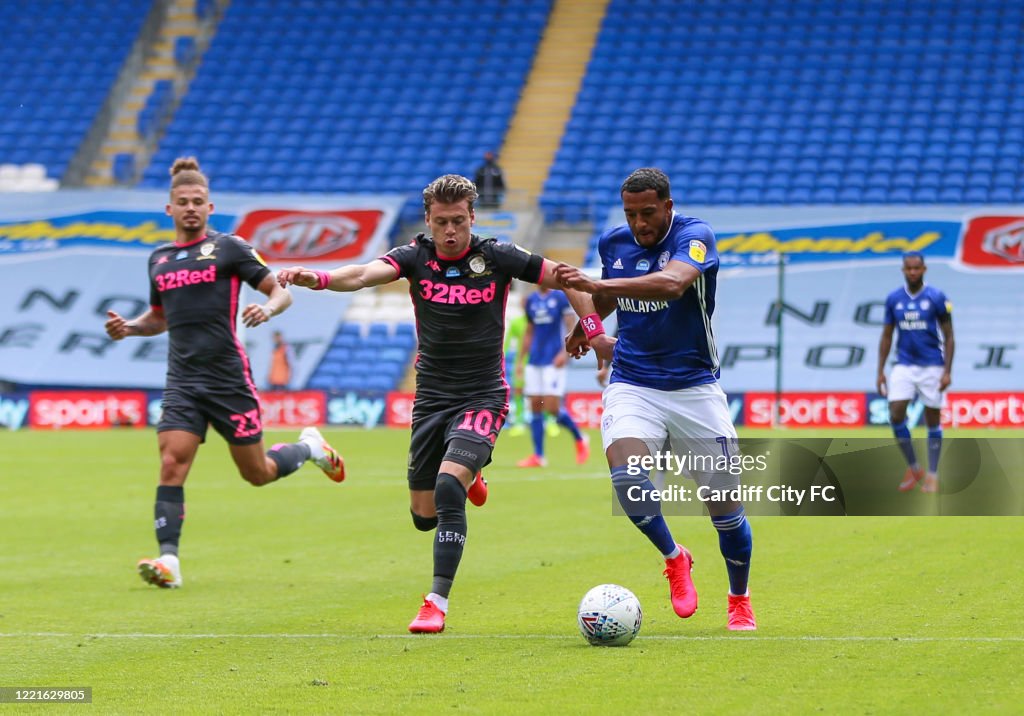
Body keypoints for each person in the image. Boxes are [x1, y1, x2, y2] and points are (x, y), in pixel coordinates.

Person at [278, 174, 580, 634]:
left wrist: (592, 326)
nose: (451, 231)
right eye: (442, 223)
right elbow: (361, 274)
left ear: (472, 218)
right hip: (432, 398)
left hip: (484, 394)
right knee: (424, 517)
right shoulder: (414, 257)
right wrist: (317, 278)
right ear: (428, 221)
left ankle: (435, 601)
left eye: (459, 221)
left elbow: (562, 275)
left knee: (446, 487)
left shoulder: (496, 256)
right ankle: (471, 473)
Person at [104, 157, 344, 590]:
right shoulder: (159, 260)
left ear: (210, 208)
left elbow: (279, 291)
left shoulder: (229, 248)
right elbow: (160, 318)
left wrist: (266, 308)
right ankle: (169, 561)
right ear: (169, 209)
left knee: (257, 473)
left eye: (198, 201)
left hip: (228, 380)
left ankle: (309, 448)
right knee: (171, 463)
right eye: (183, 202)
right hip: (182, 381)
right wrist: (131, 328)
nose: (191, 207)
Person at [555, 167, 756, 631]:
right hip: (633, 383)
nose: (639, 224)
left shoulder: (695, 235)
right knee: (627, 479)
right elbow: (605, 301)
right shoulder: (614, 243)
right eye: (631, 215)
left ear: (668, 206)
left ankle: (739, 598)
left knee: (725, 511)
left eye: (648, 213)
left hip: (695, 388)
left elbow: (672, 283)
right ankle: (674, 557)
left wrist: (595, 288)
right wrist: (590, 329)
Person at [876, 252, 954, 493]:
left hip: (932, 364)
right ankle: (913, 467)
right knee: (896, 413)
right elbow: (887, 335)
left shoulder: (937, 297)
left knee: (932, 419)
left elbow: (950, 336)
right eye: (908, 268)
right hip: (903, 364)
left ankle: (932, 473)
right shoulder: (894, 299)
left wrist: (947, 371)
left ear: (924, 269)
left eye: (916, 268)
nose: (912, 272)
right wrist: (880, 371)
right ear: (903, 270)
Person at [516, 286, 590, 467]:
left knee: (551, 408)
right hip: (534, 360)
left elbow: (570, 323)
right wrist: (520, 360)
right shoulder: (532, 300)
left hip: (553, 360)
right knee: (535, 405)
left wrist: (565, 353)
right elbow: (529, 331)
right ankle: (539, 456)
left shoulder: (560, 298)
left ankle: (580, 437)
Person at [503, 310, 528, 436]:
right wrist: (504, 356)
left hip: (539, 360)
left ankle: (548, 421)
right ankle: (519, 421)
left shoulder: (538, 320)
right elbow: (509, 341)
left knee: (542, 394)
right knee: (518, 390)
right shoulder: (517, 322)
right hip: (520, 361)